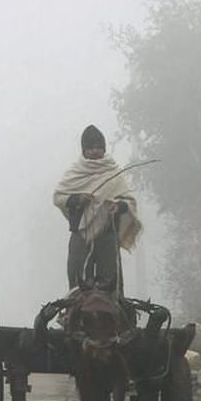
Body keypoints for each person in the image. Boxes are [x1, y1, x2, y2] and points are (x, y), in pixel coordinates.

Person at [53, 125, 141, 293]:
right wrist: (77, 199)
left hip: (107, 233)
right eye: (90, 148)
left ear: (104, 149)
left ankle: (118, 311)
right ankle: (71, 311)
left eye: (98, 148)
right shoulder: (74, 172)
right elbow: (58, 197)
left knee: (110, 280)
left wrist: (118, 206)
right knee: (78, 279)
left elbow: (129, 201)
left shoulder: (113, 172)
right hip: (81, 233)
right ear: (84, 150)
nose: (94, 151)